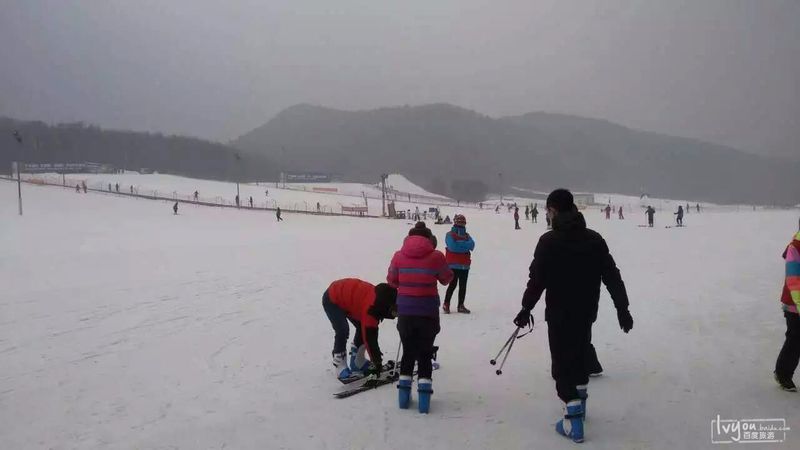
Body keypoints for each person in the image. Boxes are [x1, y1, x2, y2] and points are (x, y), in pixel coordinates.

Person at [513, 189, 633, 443]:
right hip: (587, 311)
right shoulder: (594, 239)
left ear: (554, 210)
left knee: (562, 364)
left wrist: (526, 308)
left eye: (548, 210)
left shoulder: (549, 241)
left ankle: (572, 421)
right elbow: (612, 276)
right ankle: (580, 404)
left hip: (559, 313)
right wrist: (622, 308)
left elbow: (537, 280)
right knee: (579, 354)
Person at [387, 222, 453, 413]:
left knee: (408, 352)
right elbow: (446, 279)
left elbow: (391, 281)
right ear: (428, 238)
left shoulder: (398, 256)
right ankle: (424, 403)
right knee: (424, 354)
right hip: (427, 312)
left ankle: (403, 399)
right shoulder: (436, 256)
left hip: (406, 312)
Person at [322, 278, 398, 380]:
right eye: (394, 312)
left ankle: (357, 361)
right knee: (342, 330)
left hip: (351, 301)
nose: (395, 315)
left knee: (362, 327)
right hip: (332, 298)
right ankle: (340, 363)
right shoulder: (372, 310)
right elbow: (370, 338)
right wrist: (377, 362)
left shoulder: (381, 298)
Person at [775, 226, 800, 391]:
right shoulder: (795, 248)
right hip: (794, 304)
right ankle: (783, 373)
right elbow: (793, 279)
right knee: (795, 339)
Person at [443, 214, 476, 314]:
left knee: (463, 286)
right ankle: (446, 304)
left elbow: (472, 245)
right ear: (455, 222)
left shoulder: (467, 235)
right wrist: (464, 246)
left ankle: (460, 305)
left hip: (464, 265)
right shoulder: (449, 234)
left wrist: (459, 245)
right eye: (459, 222)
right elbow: (453, 247)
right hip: (453, 265)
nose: (461, 224)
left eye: (462, 222)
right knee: (452, 285)